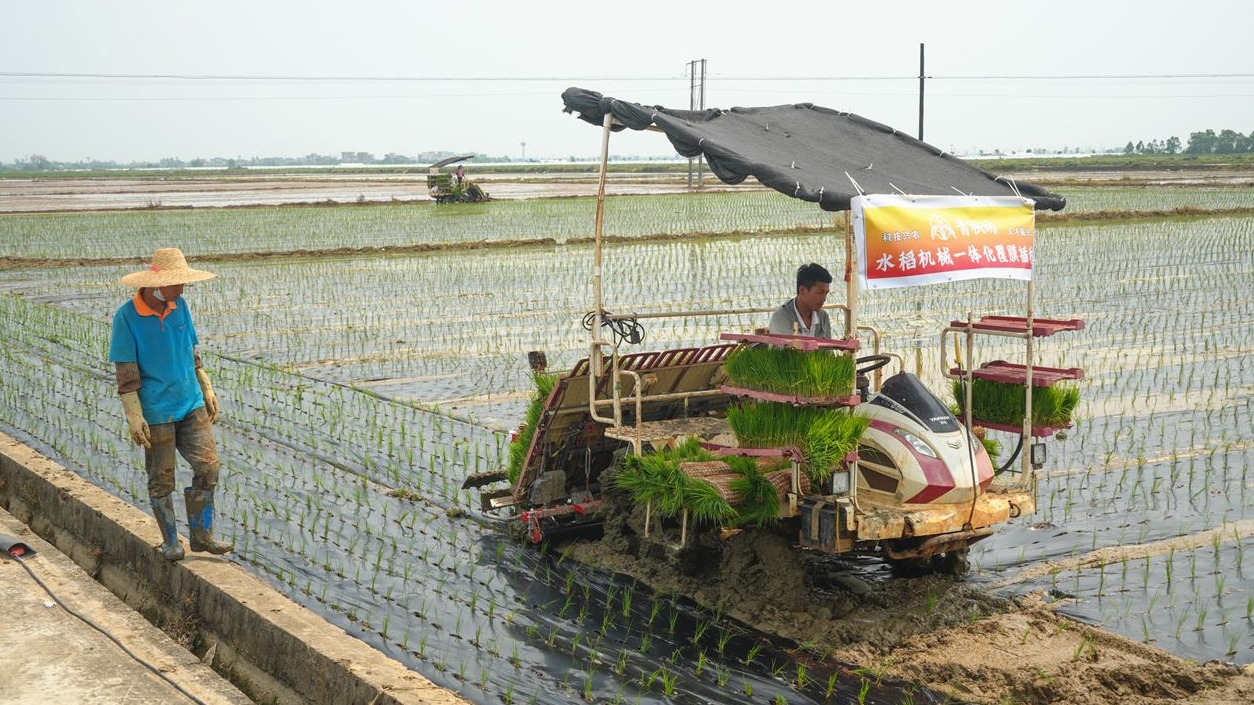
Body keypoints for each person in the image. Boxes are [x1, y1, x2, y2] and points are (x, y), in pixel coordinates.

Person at [109, 247, 232, 561]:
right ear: (155, 285)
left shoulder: (180, 305)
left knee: (209, 467)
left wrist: (206, 386)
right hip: (157, 410)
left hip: (190, 403)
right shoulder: (126, 317)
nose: (182, 288)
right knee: (162, 478)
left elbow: (192, 350)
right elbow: (126, 374)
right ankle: (170, 543)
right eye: (177, 283)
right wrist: (134, 415)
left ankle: (202, 536)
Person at [768, 262, 833, 338]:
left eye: (826, 293)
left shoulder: (823, 317)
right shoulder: (782, 317)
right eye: (820, 292)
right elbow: (786, 349)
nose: (824, 298)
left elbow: (828, 348)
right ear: (802, 290)